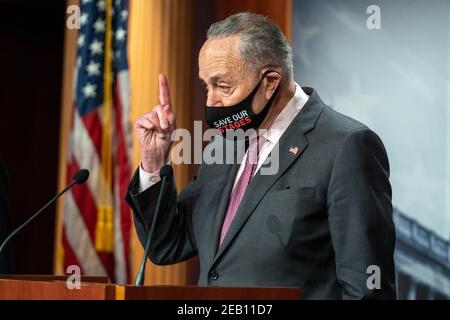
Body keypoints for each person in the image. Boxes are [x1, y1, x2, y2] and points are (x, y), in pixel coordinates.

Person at [126, 13, 396, 299]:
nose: (210, 101)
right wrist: (154, 163)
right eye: (207, 86)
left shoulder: (347, 145)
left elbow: (367, 292)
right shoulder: (225, 145)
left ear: (270, 82)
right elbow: (169, 244)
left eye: (223, 86)